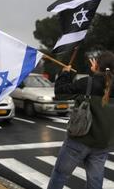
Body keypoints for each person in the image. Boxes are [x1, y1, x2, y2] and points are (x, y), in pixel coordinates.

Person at [47, 51, 114, 189]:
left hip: (78, 140)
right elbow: (102, 83)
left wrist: (65, 73)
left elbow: (60, 92)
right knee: (95, 181)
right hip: (102, 144)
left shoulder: (87, 83)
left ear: (97, 65)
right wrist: (96, 72)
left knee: (60, 175)